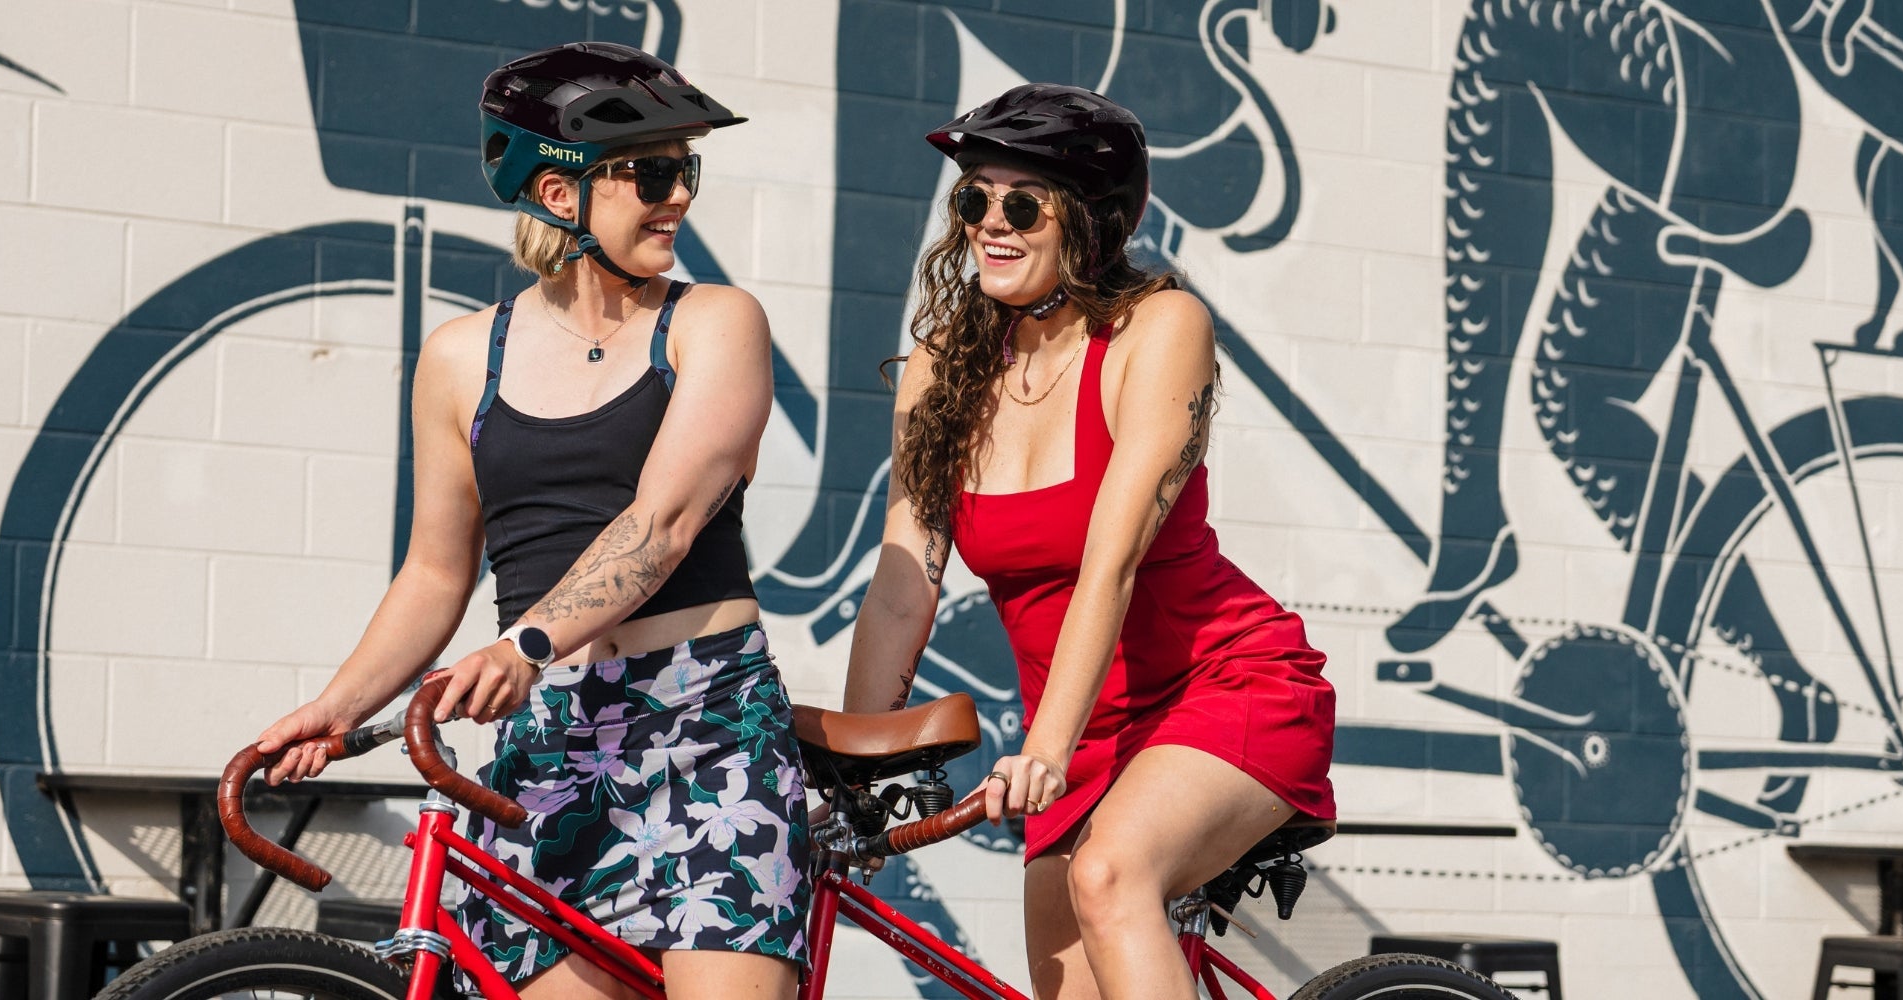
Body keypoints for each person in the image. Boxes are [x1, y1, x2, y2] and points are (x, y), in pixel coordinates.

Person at [246, 42, 807, 1000]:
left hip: (711, 727)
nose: (679, 196)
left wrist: (525, 645)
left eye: (686, 171)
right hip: (553, 737)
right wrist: (340, 709)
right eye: (653, 174)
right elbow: (435, 572)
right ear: (559, 194)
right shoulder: (462, 357)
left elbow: (663, 522)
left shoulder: (715, 321)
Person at [840, 83, 1338, 1000]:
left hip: (1221, 686)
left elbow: (1110, 565)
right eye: (973, 200)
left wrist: (1046, 749)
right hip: (1082, 728)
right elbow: (903, 587)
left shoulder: (1159, 328)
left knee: (1108, 875)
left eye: (1023, 205)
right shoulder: (943, 368)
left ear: (1094, 221)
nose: (991, 224)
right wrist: (860, 770)